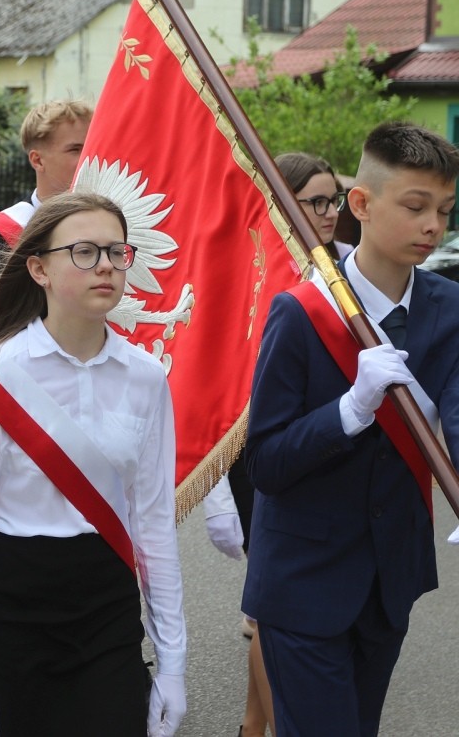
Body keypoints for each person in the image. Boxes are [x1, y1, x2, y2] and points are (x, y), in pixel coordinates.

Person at [0, 191, 186, 737]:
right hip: (13, 607)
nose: (106, 266)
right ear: (39, 269)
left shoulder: (146, 377)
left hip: (107, 608)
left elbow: (153, 524)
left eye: (116, 252)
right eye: (85, 252)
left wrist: (173, 662)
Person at [242, 122, 459, 736]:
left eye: (445, 210)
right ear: (359, 204)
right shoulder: (299, 311)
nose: (433, 226)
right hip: (302, 581)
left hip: (390, 578)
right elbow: (266, 463)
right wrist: (351, 410)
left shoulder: (450, 307)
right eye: (415, 206)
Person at [204, 150, 351, 737]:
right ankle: (262, 725)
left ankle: (251, 723)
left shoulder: (347, 266)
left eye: (334, 200)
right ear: (283, 203)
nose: (328, 212)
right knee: (275, 606)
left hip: (332, 445)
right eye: (315, 201)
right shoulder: (258, 266)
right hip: (267, 449)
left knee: (276, 607)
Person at [0, 100, 92, 376]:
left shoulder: (113, 229)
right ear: (37, 160)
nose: (88, 158)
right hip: (21, 388)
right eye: (76, 149)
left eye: (91, 146)